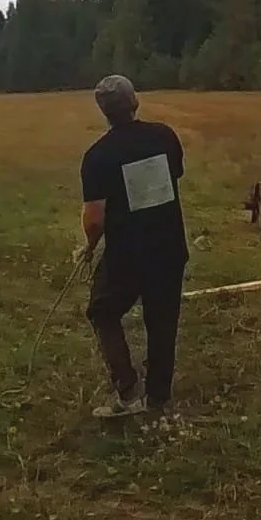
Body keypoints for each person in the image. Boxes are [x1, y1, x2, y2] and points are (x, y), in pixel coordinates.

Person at [78, 75, 189, 419]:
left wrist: (89, 246)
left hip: (127, 253)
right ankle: (158, 398)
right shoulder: (165, 137)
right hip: (169, 245)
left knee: (102, 311)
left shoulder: (97, 156)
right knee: (162, 319)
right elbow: (174, 177)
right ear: (135, 101)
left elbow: (95, 218)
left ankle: (127, 392)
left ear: (104, 112)